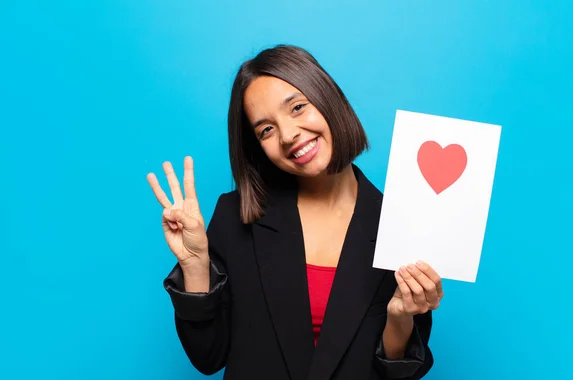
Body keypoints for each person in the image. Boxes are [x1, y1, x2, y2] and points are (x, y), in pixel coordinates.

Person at [147, 45, 444, 380]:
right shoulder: (235, 217)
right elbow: (208, 356)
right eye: (266, 130)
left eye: (298, 108)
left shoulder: (403, 226)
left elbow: (394, 375)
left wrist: (400, 317)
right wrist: (196, 267)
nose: (288, 135)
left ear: (328, 98)